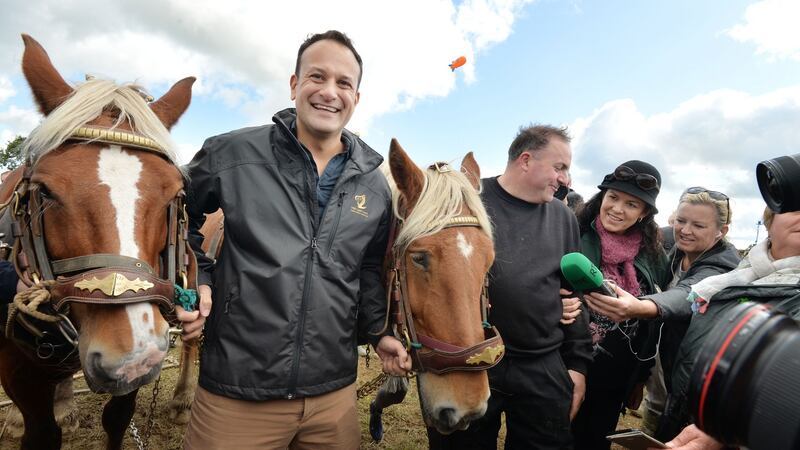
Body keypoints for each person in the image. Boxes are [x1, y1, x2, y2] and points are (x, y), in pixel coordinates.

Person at [177, 30, 410, 449]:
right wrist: (199, 278)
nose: (329, 92)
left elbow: (369, 269)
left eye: (343, 83)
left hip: (333, 398)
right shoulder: (231, 154)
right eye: (316, 77)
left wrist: (379, 333)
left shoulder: (374, 185)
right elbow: (175, 218)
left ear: (357, 96)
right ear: (293, 84)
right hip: (238, 391)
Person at [427, 124, 592, 449]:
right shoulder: (468, 202)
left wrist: (577, 366)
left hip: (542, 365)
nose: (565, 179)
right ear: (526, 160)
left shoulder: (563, 217)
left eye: (567, 170)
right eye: (559, 167)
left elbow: (573, 294)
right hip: (474, 361)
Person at [583, 187, 740, 442]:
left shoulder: (724, 266)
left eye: (698, 225)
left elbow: (688, 294)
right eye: (681, 220)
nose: (685, 230)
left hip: (696, 378)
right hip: (663, 373)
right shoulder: (672, 248)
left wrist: (640, 306)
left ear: (722, 232)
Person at [665, 206, 800, 447]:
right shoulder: (732, 278)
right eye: (794, 207)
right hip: (685, 408)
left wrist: (729, 427)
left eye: (698, 225)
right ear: (769, 221)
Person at [568, 160, 669, 450]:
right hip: (568, 363)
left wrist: (640, 377)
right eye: (613, 197)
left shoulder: (654, 254)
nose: (617, 209)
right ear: (602, 197)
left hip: (616, 375)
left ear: (644, 213)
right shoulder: (573, 234)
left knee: (595, 441)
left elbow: (656, 316)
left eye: (632, 204)